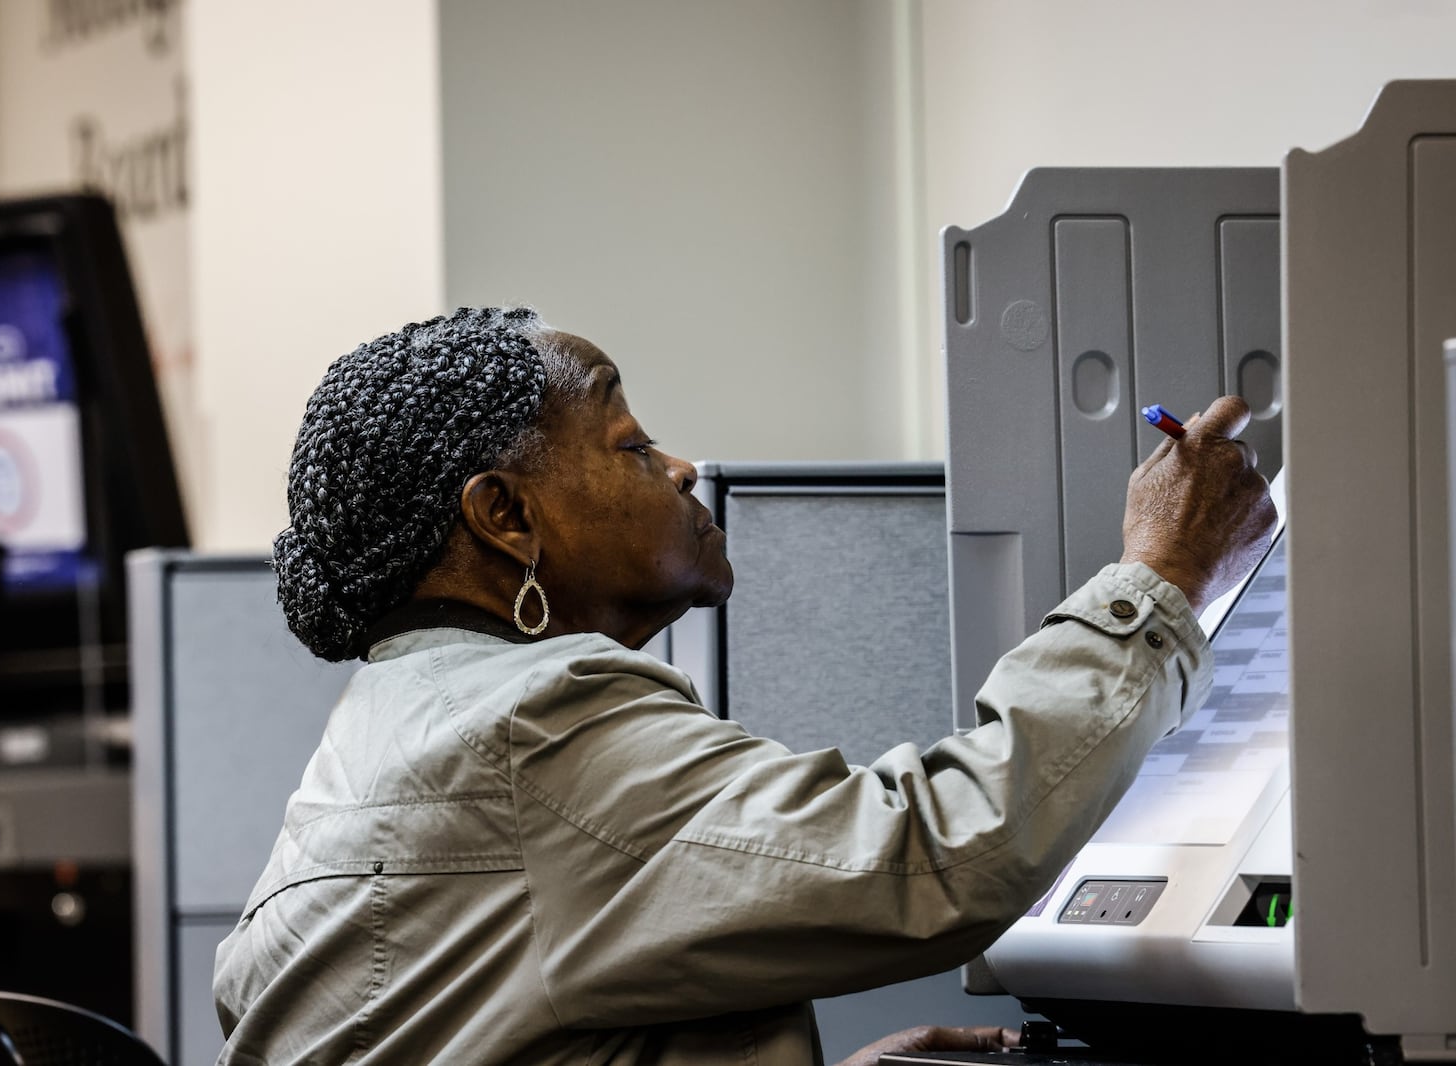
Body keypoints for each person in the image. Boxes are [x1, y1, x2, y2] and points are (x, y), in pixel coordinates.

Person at [213, 307, 1275, 1066]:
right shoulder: (532, 728)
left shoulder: (397, 723)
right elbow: (934, 852)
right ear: (504, 517)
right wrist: (1160, 575)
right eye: (630, 444)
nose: (677, 468)